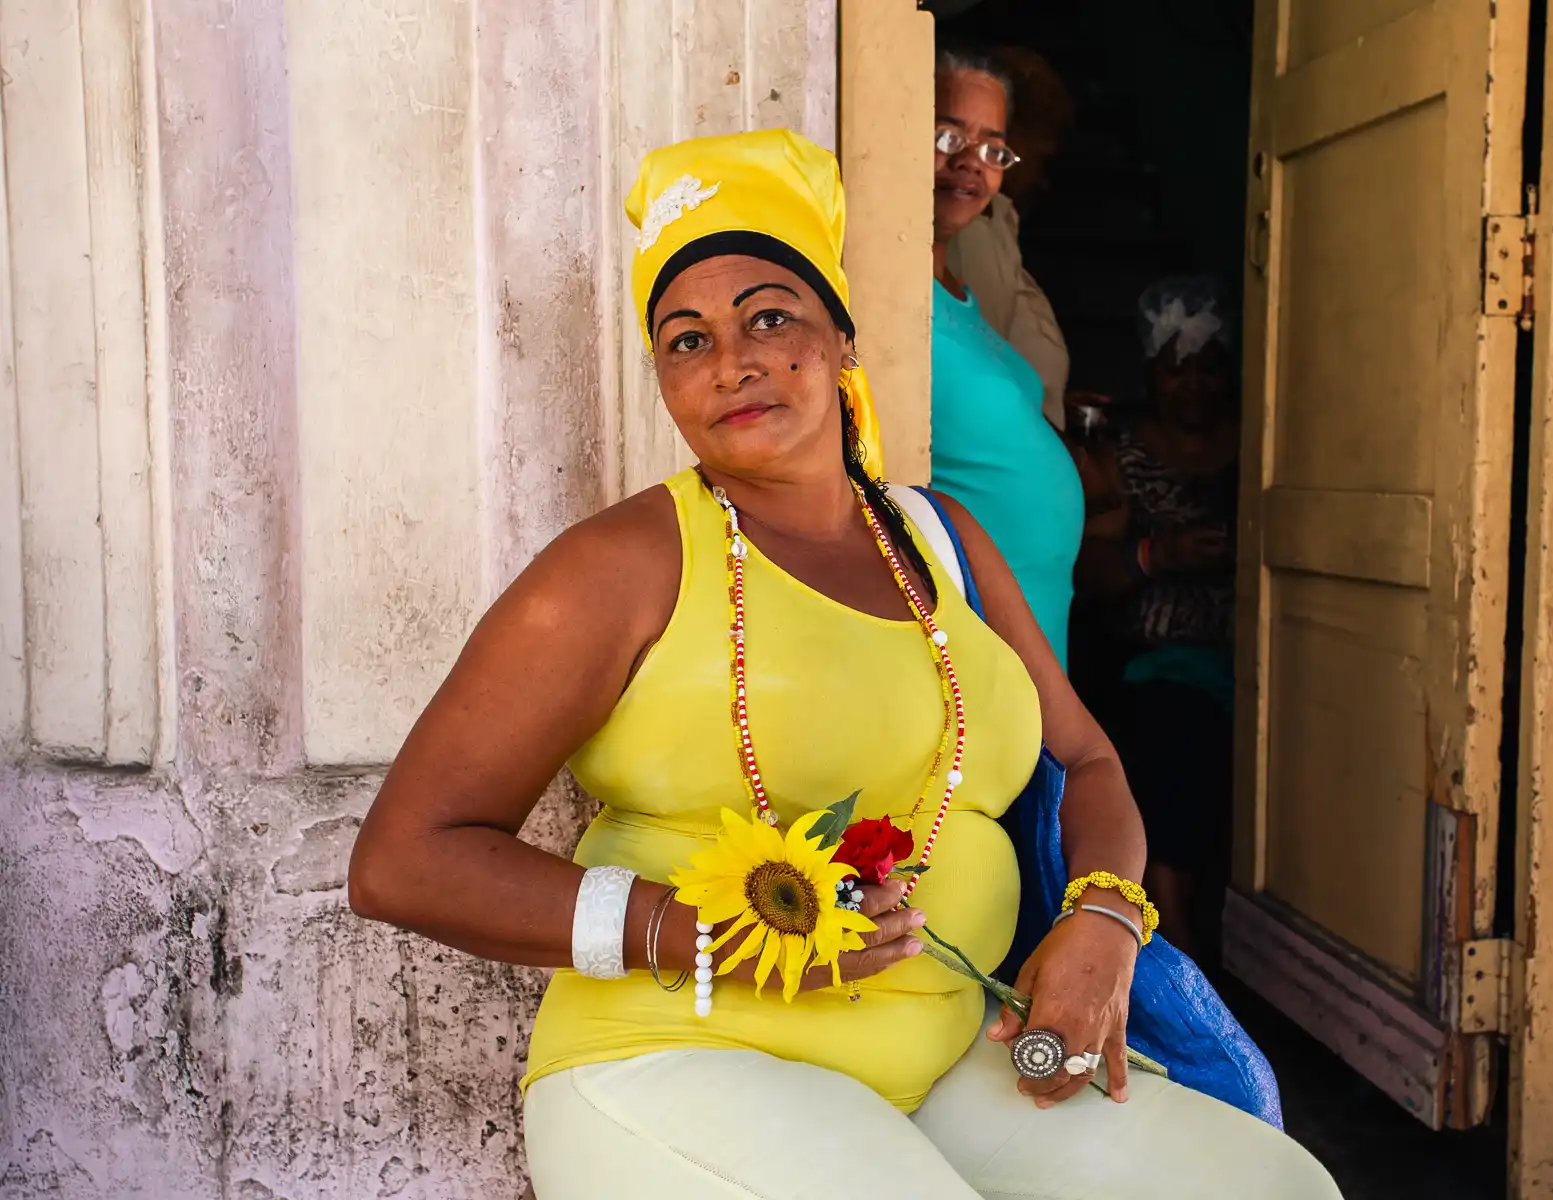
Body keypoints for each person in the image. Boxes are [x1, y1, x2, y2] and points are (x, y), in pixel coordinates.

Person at [347, 131, 1337, 1199]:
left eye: (771, 317)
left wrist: (1104, 919)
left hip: (949, 1055)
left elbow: (1088, 759)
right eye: (686, 340)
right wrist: (706, 935)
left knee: (1272, 1189)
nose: (732, 361)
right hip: (680, 1058)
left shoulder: (938, 538)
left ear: (844, 339)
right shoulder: (622, 564)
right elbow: (404, 860)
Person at [1073, 276, 1241, 968]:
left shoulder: (1262, 442)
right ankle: (1180, 947)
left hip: (1257, 658)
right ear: (1150, 373)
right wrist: (1160, 554)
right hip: (1152, 664)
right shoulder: (1120, 456)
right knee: (1177, 738)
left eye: (1208, 367)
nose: (1193, 385)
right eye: (1176, 369)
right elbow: (1091, 572)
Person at [930, 48, 1085, 670]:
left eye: (994, 149)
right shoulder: (882, 301)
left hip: (1030, 636)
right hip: (972, 645)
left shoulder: (960, 297)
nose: (972, 162)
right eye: (947, 136)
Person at [944, 47, 1073, 429]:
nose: (1041, 177)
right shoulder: (968, 231)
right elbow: (979, 369)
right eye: (1041, 154)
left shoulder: (996, 222)